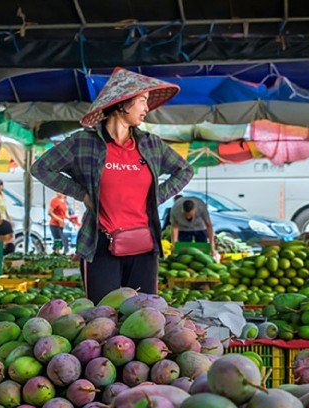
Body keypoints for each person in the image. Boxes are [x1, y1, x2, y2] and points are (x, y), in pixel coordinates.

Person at [30, 67, 193, 303]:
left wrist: (155, 196)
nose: (147, 108)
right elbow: (41, 168)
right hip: (100, 246)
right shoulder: (83, 143)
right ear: (123, 103)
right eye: (142, 101)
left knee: (144, 317)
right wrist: (81, 194)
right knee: (102, 319)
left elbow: (184, 170)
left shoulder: (151, 145)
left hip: (144, 247)